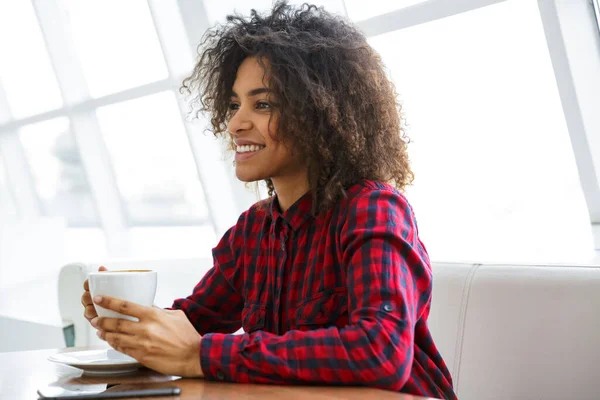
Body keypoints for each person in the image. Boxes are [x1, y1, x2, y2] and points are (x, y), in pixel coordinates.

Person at [80, 2, 456, 398]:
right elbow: (191, 325)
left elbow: (380, 353)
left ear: (318, 113)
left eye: (262, 104)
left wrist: (201, 355)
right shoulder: (253, 231)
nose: (236, 123)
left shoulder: (373, 209)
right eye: (233, 104)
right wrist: (128, 320)